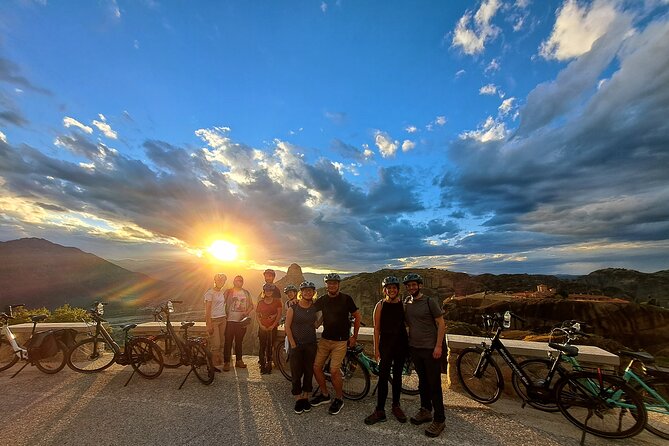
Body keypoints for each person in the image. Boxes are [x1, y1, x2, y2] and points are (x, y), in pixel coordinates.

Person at [310, 273, 361, 415]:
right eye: (329, 283)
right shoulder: (323, 299)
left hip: (340, 341)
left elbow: (357, 316)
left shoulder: (346, 299)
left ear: (338, 284)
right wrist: (295, 303)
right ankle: (325, 395)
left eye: (335, 283)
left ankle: (339, 398)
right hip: (325, 340)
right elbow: (309, 309)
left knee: (333, 371)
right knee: (316, 367)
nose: (332, 285)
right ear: (326, 285)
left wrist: (354, 337)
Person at [403, 273, 446, 438]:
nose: (411, 288)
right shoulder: (407, 303)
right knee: (422, 383)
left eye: (414, 285)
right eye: (409, 285)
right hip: (415, 348)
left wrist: (438, 346)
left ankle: (440, 419)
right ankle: (426, 410)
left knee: (434, 385)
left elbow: (441, 324)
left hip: (430, 349)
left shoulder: (429, 302)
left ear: (419, 286)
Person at [364, 276, 409, 425]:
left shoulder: (403, 305)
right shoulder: (380, 305)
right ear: (385, 290)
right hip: (386, 346)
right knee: (383, 378)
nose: (392, 290)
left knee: (397, 377)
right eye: (389, 288)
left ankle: (396, 406)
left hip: (401, 345)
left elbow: (407, 325)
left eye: (394, 288)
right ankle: (380, 410)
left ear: (397, 289)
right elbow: (376, 329)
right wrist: (376, 349)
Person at [284, 281, 319, 414]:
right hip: (297, 344)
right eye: (305, 290)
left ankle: (306, 396)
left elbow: (315, 325)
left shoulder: (313, 308)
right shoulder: (293, 308)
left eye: (310, 290)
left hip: (311, 343)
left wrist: (324, 318)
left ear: (313, 292)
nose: (308, 292)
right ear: (301, 293)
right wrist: (293, 344)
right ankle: (298, 398)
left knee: (309, 371)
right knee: (296, 372)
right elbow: (287, 326)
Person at [223, 275, 254, 371]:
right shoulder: (228, 292)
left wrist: (246, 313)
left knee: (239, 342)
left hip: (241, 322)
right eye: (237, 280)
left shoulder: (246, 293)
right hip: (229, 321)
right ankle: (227, 362)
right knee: (228, 342)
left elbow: (251, 306)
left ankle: (239, 361)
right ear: (233, 281)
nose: (239, 282)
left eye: (241, 280)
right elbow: (221, 303)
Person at [256, 283, 283, 374]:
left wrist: (273, 325)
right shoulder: (261, 302)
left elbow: (279, 314)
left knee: (270, 346)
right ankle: (262, 366)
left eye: (270, 291)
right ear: (264, 292)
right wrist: (260, 325)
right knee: (262, 346)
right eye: (267, 291)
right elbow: (257, 315)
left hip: (272, 327)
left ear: (273, 292)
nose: (269, 292)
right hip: (262, 327)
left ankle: (269, 364)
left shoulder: (277, 302)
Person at [204, 273, 227, 367]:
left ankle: (220, 362)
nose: (221, 282)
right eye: (219, 280)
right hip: (214, 320)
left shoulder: (222, 292)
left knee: (222, 343)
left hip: (223, 319)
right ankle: (213, 365)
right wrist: (208, 324)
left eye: (223, 281)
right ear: (215, 281)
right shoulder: (209, 293)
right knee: (216, 344)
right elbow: (207, 309)